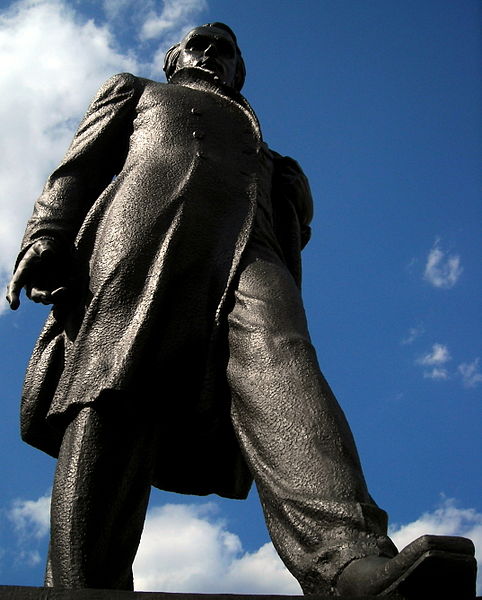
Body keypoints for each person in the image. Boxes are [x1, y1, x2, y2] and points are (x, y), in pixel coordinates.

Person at [7, 23, 475, 597]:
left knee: (286, 369)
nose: (210, 55)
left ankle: (347, 562)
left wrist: (289, 196)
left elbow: (295, 228)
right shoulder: (136, 91)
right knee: (115, 391)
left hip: (249, 249)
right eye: (198, 44)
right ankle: (84, 584)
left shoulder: (269, 153)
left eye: (225, 50)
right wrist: (48, 231)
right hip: (145, 231)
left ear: (238, 72)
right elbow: (78, 167)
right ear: (175, 56)